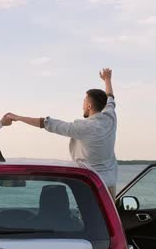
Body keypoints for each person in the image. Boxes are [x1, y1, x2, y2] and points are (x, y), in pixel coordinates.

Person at [8, 68, 118, 197]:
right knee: (110, 215)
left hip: (92, 185)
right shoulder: (110, 117)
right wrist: (107, 79)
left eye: (84, 102)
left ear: (89, 106)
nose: (82, 105)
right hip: (110, 184)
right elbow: (110, 97)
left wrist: (19, 118)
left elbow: (47, 123)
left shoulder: (83, 127)